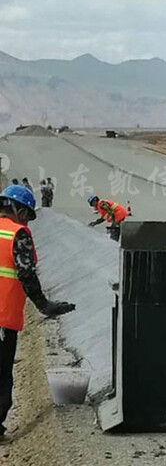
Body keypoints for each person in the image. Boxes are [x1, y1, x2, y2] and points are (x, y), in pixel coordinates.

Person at [0, 185, 75, 437]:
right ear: (17, 209)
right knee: (1, 373)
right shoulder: (17, 234)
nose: (26, 221)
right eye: (26, 215)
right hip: (2, 316)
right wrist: (44, 304)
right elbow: (26, 273)